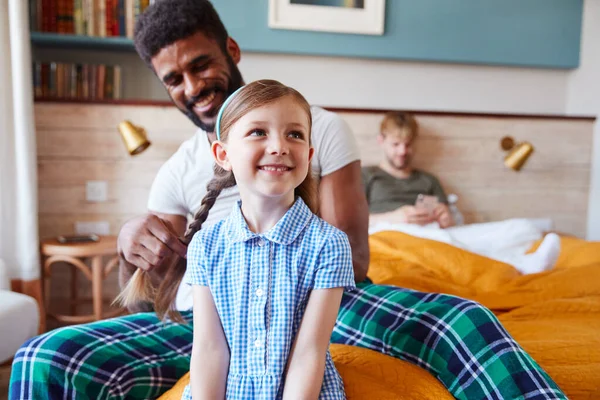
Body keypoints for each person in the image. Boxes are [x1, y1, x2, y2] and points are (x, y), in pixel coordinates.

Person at [10, 2, 566, 399]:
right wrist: (135, 241)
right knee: (47, 355)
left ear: (230, 49)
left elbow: (354, 256)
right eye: (173, 78)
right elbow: (165, 288)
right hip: (209, 318)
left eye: (200, 65)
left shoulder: (318, 128)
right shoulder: (178, 167)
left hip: (318, 297)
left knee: (457, 321)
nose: (192, 86)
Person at [123, 79, 353, 399]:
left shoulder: (329, 244)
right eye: (259, 132)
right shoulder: (206, 245)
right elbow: (209, 349)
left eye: (295, 134)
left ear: (310, 154)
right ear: (223, 154)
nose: (279, 146)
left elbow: (308, 355)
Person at [365, 111, 561, 275]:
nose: (402, 151)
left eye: (407, 144)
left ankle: (517, 259)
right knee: (446, 242)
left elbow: (449, 224)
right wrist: (395, 217)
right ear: (381, 141)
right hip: (391, 234)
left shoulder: (428, 180)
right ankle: (522, 264)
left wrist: (445, 217)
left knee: (522, 228)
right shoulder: (367, 175)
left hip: (435, 231)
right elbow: (346, 221)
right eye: (396, 144)